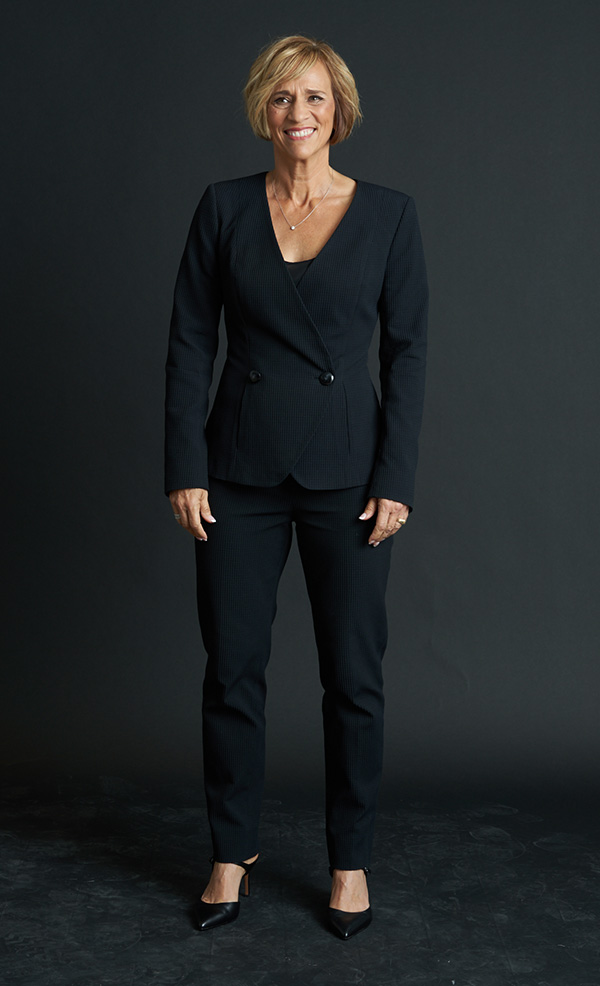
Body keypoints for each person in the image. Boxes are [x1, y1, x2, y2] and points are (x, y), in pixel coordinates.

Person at [164, 34, 428, 940]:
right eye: (282, 97)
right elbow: (190, 340)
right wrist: (184, 465)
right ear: (262, 110)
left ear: (339, 110)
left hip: (348, 476)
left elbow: (408, 354)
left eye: (314, 96)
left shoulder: (388, 215)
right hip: (236, 470)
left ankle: (349, 862)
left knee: (353, 677)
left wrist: (395, 477)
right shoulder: (223, 206)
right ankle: (230, 854)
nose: (299, 113)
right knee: (232, 669)